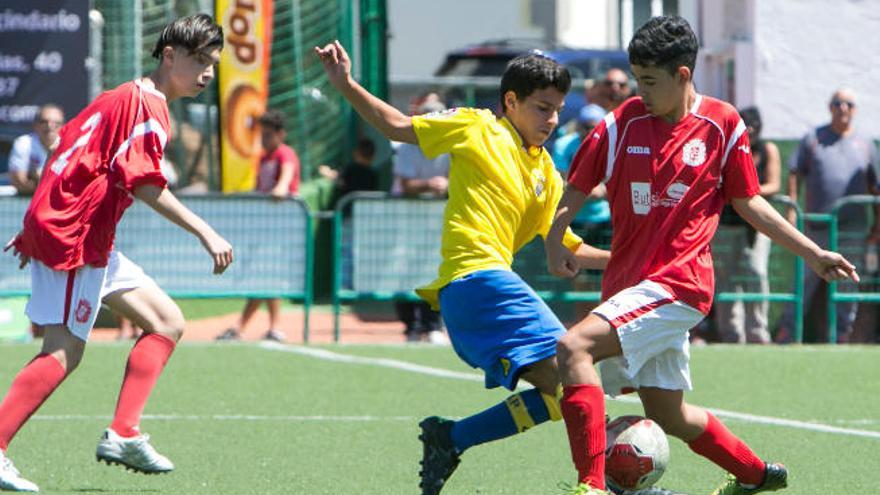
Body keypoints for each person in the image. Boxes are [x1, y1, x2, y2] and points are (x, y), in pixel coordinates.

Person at [544, 16, 857, 495]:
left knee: (573, 347)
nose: (640, 90)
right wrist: (554, 237)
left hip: (679, 285)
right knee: (668, 414)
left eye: (650, 81)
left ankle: (590, 486)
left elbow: (748, 201)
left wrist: (813, 253)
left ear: (683, 75)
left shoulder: (722, 123)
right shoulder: (621, 122)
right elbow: (578, 186)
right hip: (631, 289)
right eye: (636, 78)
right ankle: (755, 475)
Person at [316, 42, 611, 495]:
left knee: (558, 395)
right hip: (479, 279)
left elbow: (568, 246)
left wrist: (632, 261)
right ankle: (599, 483)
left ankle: (452, 438)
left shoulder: (547, 172)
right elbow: (396, 126)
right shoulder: (477, 126)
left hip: (482, 290)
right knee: (578, 367)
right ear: (510, 102)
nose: (551, 120)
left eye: (556, 111)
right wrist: (345, 84)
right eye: (541, 108)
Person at [0, 14, 233, 492]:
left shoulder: (119, 95)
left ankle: (124, 432)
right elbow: (145, 184)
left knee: (166, 321)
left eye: (213, 62)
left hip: (85, 235)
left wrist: (32, 224)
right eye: (200, 60)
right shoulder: (147, 105)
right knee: (63, 352)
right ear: (169, 56)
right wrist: (206, 231)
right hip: (77, 236)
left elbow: (63, 152)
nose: (207, 72)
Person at [776, 88, 879, 343]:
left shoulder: (866, 145)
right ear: (829, 107)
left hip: (852, 231)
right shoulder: (813, 139)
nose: (842, 108)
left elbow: (875, 187)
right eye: (837, 103)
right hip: (815, 229)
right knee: (803, 283)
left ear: (854, 110)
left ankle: (842, 336)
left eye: (848, 104)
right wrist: (791, 209)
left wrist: (877, 227)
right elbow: (794, 172)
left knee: (848, 286)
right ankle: (787, 334)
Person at [215, 110, 301, 343]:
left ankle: (254, 326)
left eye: (268, 134)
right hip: (264, 227)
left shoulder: (286, 154)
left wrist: (281, 188)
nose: (264, 139)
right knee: (264, 277)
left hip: (280, 228)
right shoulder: (263, 158)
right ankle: (257, 327)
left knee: (267, 276)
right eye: (261, 135)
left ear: (280, 134)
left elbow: (286, 179)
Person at [713, 107, 781, 344]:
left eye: (754, 123)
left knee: (756, 274)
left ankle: (758, 332)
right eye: (745, 123)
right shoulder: (725, 146)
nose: (750, 128)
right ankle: (730, 333)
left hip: (756, 225)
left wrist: (742, 190)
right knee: (725, 279)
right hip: (725, 224)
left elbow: (774, 184)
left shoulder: (767, 149)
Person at [392, 96, 450, 344]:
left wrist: (447, 185)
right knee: (404, 271)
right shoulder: (407, 147)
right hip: (409, 221)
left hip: (439, 220)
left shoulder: (451, 146)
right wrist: (429, 185)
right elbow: (404, 184)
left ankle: (433, 324)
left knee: (437, 271)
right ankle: (412, 325)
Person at [7, 104, 65, 195]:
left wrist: (38, 177)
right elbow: (19, 182)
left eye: (56, 123)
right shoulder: (23, 143)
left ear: (63, 127)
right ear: (35, 125)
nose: (50, 126)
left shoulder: (70, 146)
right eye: (44, 122)